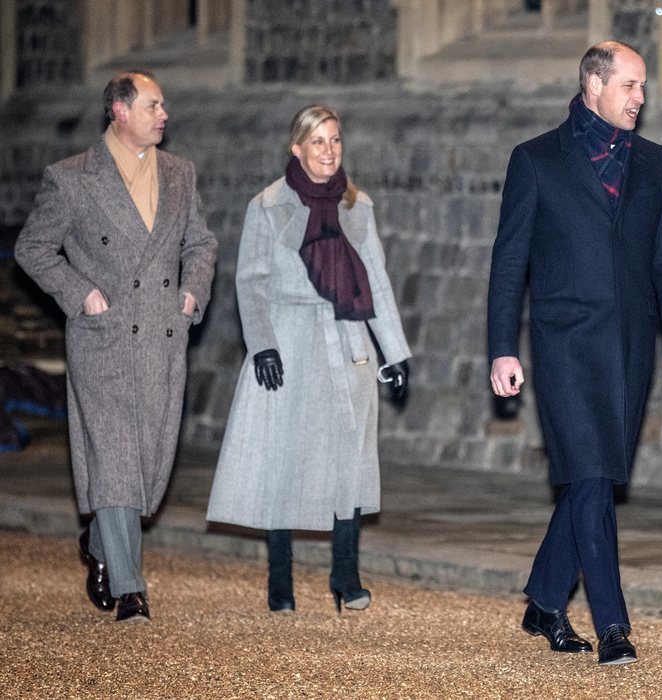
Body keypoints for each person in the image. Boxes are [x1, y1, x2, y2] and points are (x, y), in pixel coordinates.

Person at [487, 41, 662, 666]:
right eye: (630, 85)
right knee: (590, 478)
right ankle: (613, 626)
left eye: (642, 87)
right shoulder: (534, 160)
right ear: (593, 86)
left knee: (593, 479)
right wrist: (502, 348)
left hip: (632, 347)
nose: (641, 97)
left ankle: (546, 599)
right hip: (564, 347)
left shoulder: (654, 163)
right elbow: (508, 265)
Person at [15, 70, 218, 622]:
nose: (164, 114)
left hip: (162, 335)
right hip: (103, 341)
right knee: (116, 460)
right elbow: (33, 248)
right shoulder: (72, 178)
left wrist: (191, 294)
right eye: (154, 105)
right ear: (120, 111)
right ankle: (131, 588)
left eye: (164, 106)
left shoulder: (180, 174)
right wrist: (81, 294)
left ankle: (100, 542)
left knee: (148, 465)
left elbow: (201, 243)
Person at [206, 104, 410, 614]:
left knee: (351, 457)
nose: (329, 151)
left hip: (347, 342)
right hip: (289, 340)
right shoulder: (268, 205)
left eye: (336, 140)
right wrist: (263, 345)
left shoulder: (357, 206)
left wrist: (396, 353)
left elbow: (378, 283)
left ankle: (346, 573)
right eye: (318, 141)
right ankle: (281, 580)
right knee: (284, 458)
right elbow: (250, 282)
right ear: (297, 148)